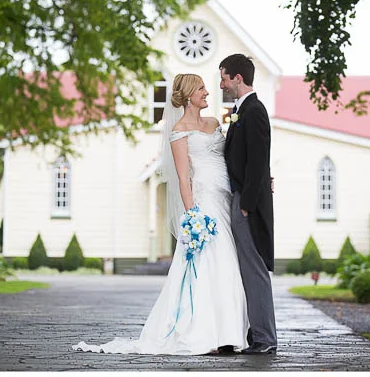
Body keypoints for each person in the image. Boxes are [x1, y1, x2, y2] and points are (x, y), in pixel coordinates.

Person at [72, 73, 249, 355]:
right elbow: (183, 178)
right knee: (213, 261)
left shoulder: (215, 123)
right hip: (205, 202)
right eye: (201, 88)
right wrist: (193, 216)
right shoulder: (179, 130)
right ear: (189, 95)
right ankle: (205, 333)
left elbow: (230, 159)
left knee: (229, 264)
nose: (207, 92)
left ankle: (229, 332)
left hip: (225, 197)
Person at [220, 53, 278, 354]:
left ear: (237, 78)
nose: (221, 84)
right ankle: (257, 335)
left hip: (247, 202)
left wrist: (248, 203)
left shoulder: (254, 111)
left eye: (224, 78)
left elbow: (258, 159)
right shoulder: (242, 110)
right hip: (241, 196)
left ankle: (265, 339)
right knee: (246, 268)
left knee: (254, 269)